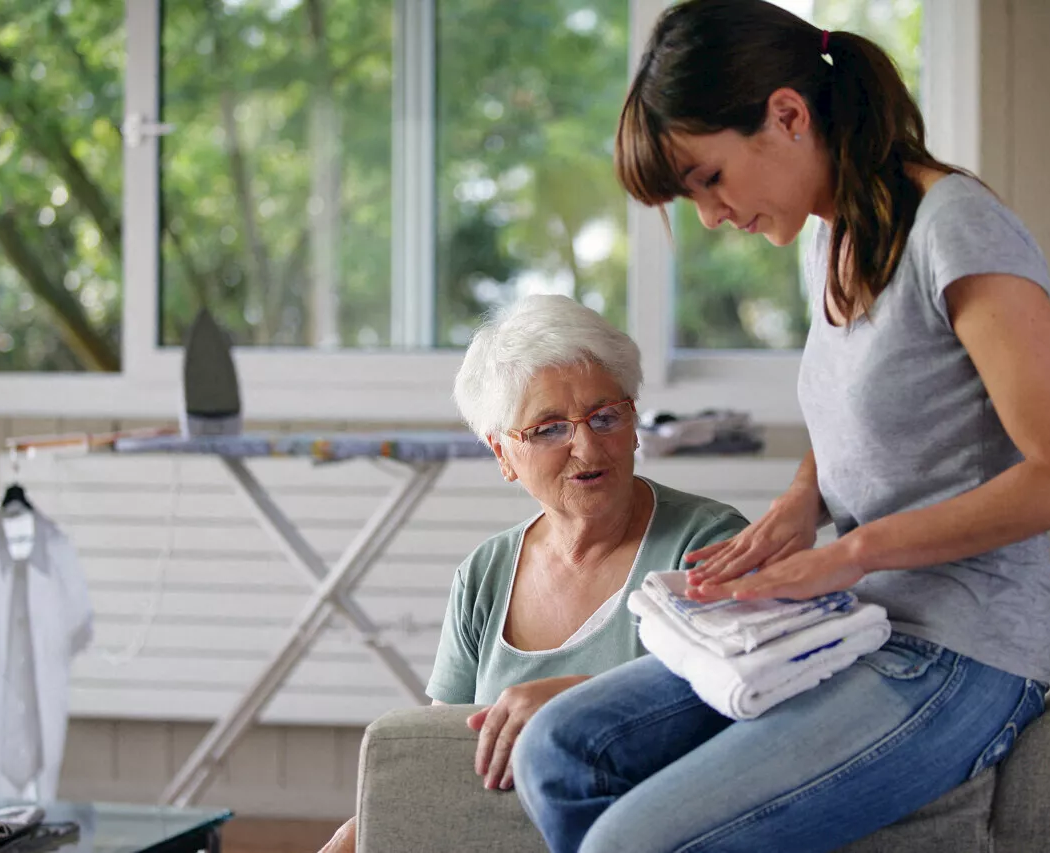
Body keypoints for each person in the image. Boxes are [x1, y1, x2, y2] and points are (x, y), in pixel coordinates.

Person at [512, 2, 1050, 852]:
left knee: (631, 842)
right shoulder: (826, 237)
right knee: (560, 750)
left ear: (787, 115)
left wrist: (850, 551)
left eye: (708, 178)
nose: (712, 216)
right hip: (849, 622)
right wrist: (801, 503)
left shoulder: (955, 226)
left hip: (959, 657)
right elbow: (871, 410)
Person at [317, 293, 748, 853]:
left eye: (605, 416)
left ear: (634, 420)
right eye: (549, 429)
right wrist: (366, 826)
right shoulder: (485, 574)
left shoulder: (709, 545)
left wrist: (583, 708)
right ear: (502, 454)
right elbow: (444, 748)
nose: (588, 446)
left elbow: (746, 719)